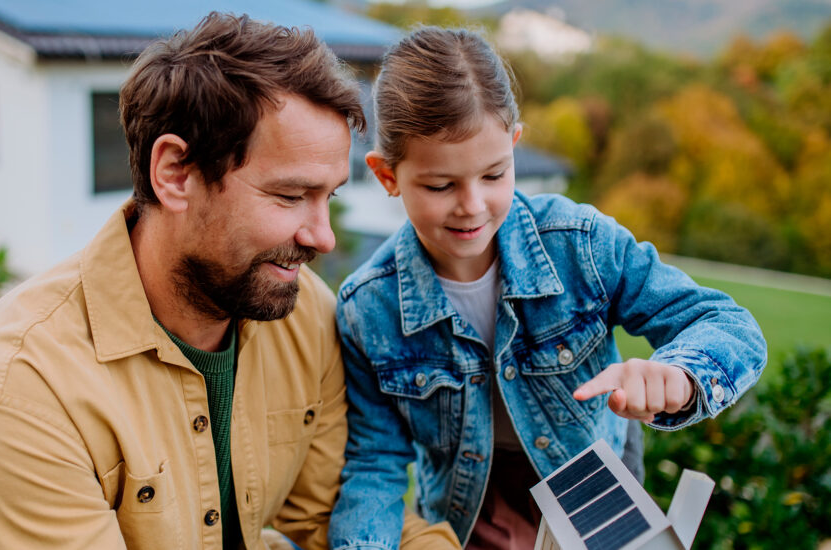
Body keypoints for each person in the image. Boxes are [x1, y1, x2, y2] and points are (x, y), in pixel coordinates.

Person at [0, 12, 457, 550]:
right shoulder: (24, 382)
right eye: (289, 196)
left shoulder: (305, 316)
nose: (323, 237)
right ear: (175, 174)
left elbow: (338, 513)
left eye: (330, 196)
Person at [328, 27, 766, 550]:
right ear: (386, 175)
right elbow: (374, 464)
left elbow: (729, 325)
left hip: (600, 512)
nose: (472, 206)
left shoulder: (581, 245)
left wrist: (683, 375)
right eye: (441, 185)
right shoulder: (367, 309)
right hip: (467, 522)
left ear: (514, 145)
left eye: (494, 175)